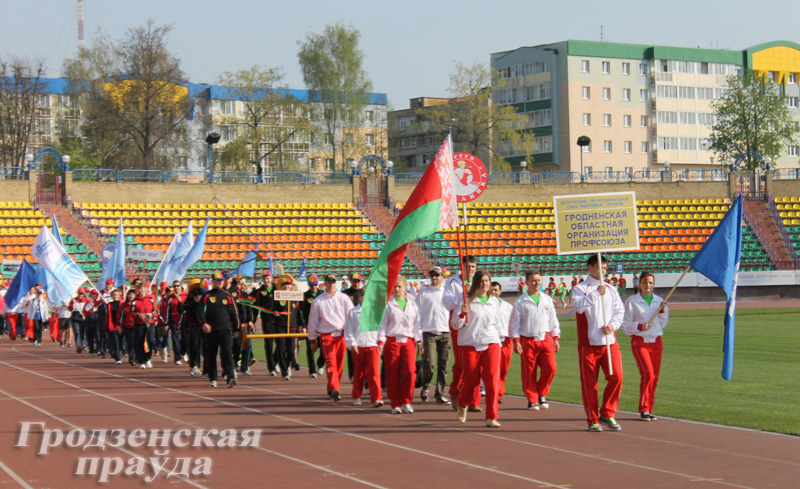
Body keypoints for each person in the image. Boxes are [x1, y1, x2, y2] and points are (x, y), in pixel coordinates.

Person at [572, 254, 625, 432]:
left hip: (610, 342)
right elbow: (579, 307)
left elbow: (619, 311)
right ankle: (592, 418)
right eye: (599, 267)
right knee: (590, 384)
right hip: (589, 344)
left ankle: (607, 412)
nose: (603, 271)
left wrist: (613, 325)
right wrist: (596, 293)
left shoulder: (611, 288)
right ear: (590, 268)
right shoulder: (581, 288)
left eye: (605, 268)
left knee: (617, 376)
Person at [452, 270, 503, 428]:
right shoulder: (465, 300)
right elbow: (455, 324)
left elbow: (498, 323)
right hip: (470, 343)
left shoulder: (494, 301)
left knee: (492, 380)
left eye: (487, 281)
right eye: (481, 281)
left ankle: (491, 416)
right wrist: (461, 314)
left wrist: (500, 339)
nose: (484, 284)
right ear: (476, 283)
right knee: (471, 380)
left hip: (491, 343)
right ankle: (463, 403)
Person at [510, 270, 560, 410]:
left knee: (551, 368)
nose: (536, 283)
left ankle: (542, 393)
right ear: (527, 283)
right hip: (528, 340)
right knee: (529, 371)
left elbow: (553, 320)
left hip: (545, 339)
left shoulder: (547, 299)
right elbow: (514, 324)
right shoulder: (520, 302)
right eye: (533, 281)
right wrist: (516, 341)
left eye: (538, 280)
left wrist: (555, 338)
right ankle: (532, 399)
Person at [622, 272, 669, 421]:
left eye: (650, 283)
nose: (647, 285)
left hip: (656, 341)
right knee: (648, 374)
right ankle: (643, 408)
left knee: (654, 377)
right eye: (644, 282)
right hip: (640, 341)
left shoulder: (659, 301)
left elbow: (663, 323)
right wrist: (640, 326)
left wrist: (661, 311)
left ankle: (649, 407)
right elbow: (626, 324)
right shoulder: (632, 301)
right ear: (639, 284)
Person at [443, 255, 481, 412]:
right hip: (459, 323)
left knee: (477, 364)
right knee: (461, 362)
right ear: (462, 266)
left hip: (477, 325)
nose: (470, 270)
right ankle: (455, 392)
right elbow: (446, 303)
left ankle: (473, 400)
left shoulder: (479, 280)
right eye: (468, 267)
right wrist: (462, 295)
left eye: (473, 267)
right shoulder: (452, 282)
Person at [378, 276, 421, 414]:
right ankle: (395, 403)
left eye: (399, 286)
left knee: (410, 371)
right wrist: (380, 342)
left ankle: (407, 401)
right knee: (392, 374)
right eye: (394, 286)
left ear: (405, 288)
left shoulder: (412, 305)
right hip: (392, 340)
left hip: (408, 341)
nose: (397, 289)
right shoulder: (387, 305)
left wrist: (419, 341)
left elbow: (417, 325)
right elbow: (382, 325)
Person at [307, 274, 354, 402]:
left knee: (339, 364)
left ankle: (331, 388)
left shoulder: (343, 298)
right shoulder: (318, 301)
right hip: (327, 335)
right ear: (325, 283)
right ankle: (335, 388)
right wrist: (312, 340)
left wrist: (352, 334)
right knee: (331, 363)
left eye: (333, 282)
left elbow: (351, 315)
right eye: (329, 282)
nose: (331, 284)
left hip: (341, 334)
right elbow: (313, 322)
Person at [416, 266, 451, 404]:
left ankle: (440, 394)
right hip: (428, 333)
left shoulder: (447, 293)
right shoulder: (424, 293)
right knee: (429, 363)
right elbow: (416, 314)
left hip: (445, 333)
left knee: (443, 365)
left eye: (437, 275)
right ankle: (425, 387)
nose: (434, 277)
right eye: (432, 275)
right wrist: (418, 334)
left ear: (443, 277)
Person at [344, 288, 383, 407]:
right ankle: (356, 396)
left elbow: (381, 328)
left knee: (374, 373)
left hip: (373, 346)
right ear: (358, 297)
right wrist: (352, 344)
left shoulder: (377, 311)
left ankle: (376, 398)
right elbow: (349, 330)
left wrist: (380, 342)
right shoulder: (353, 312)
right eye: (362, 295)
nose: (364, 297)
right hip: (359, 347)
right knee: (359, 373)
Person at [199, 272, 239, 388]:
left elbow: (234, 314)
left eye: (222, 280)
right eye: (218, 280)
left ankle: (230, 377)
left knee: (227, 353)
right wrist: (204, 323)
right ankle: (213, 378)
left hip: (225, 330)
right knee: (211, 355)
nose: (220, 282)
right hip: (211, 331)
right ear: (212, 281)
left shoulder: (227, 296)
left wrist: (236, 329)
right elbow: (200, 312)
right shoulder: (206, 296)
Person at [491, 281, 514, 404]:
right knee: (492, 369)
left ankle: (499, 392)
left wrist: (516, 340)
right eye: (492, 290)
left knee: (504, 369)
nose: (494, 292)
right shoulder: (485, 305)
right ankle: (495, 392)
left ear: (500, 291)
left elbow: (514, 323)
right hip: (491, 340)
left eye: (496, 290)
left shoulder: (508, 307)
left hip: (506, 341)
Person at [300, 274, 325, 378]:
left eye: (315, 285)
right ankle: (312, 370)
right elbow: (301, 312)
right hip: (310, 325)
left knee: (323, 347)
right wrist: (303, 325)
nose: (313, 287)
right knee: (310, 348)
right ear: (308, 285)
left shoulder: (323, 294)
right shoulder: (304, 296)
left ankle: (320, 364)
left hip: (322, 326)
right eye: (311, 285)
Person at [255, 272, 279, 376]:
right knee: (269, 344)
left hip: (279, 321)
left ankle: (275, 360)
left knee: (281, 344)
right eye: (264, 279)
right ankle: (271, 367)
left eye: (268, 278)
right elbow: (255, 306)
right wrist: (253, 320)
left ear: (272, 278)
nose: (266, 281)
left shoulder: (277, 290)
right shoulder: (259, 292)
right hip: (266, 321)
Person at [182, 279, 207, 376]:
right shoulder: (192, 294)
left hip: (205, 324)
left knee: (205, 347)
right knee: (194, 346)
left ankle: (206, 368)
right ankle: (194, 365)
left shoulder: (208, 294)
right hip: (194, 324)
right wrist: (195, 302)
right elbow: (183, 306)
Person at [341, 272, 363, 381]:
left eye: (358, 281)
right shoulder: (345, 293)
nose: (356, 283)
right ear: (351, 281)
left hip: (361, 324)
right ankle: (352, 374)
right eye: (354, 281)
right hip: (349, 324)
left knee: (362, 351)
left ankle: (362, 375)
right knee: (351, 351)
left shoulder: (363, 293)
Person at [132, 282, 155, 369]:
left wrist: (151, 316)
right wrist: (138, 315)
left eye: (142, 288)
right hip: (139, 324)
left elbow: (155, 309)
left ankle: (148, 357)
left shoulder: (150, 299)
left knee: (151, 340)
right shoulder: (135, 301)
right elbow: (132, 311)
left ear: (146, 289)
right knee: (140, 342)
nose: (141, 290)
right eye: (139, 289)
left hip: (150, 323)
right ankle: (142, 361)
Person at [118, 289, 139, 366]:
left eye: (132, 295)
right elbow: (121, 316)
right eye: (129, 295)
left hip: (137, 325)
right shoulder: (124, 305)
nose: (131, 296)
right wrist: (120, 326)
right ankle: (132, 357)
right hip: (127, 326)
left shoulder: (137, 304)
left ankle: (137, 356)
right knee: (130, 343)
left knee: (137, 342)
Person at [105, 289, 122, 364]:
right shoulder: (109, 305)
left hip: (120, 325)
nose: (115, 296)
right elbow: (107, 316)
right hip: (112, 325)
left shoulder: (122, 304)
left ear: (119, 296)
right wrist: (106, 327)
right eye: (114, 295)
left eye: (116, 295)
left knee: (120, 341)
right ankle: (118, 357)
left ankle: (116, 353)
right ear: (111, 296)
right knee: (115, 341)